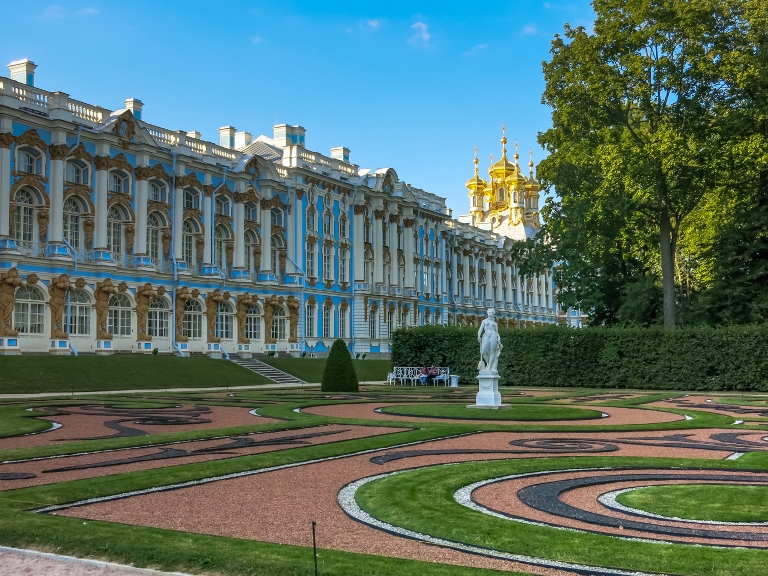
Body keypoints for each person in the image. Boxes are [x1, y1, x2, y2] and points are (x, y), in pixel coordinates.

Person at [478, 308, 502, 373]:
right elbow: (480, 329)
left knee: (492, 351)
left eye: (491, 312)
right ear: (487, 313)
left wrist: (499, 337)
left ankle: (489, 367)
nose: (490, 313)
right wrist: (478, 336)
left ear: (493, 314)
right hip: (486, 335)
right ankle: (488, 363)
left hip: (493, 335)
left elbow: (497, 332)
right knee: (483, 351)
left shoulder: (495, 323)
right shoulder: (484, 321)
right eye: (489, 312)